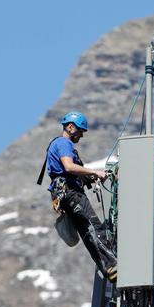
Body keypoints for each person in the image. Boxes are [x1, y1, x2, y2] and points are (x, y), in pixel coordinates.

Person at [40, 111, 117, 282]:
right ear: (70, 127)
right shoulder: (63, 143)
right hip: (71, 193)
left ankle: (108, 269)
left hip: (65, 194)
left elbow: (70, 171)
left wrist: (92, 176)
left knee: (86, 231)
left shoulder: (58, 145)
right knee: (93, 227)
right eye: (80, 130)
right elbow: (69, 167)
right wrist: (94, 171)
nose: (81, 135)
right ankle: (112, 264)